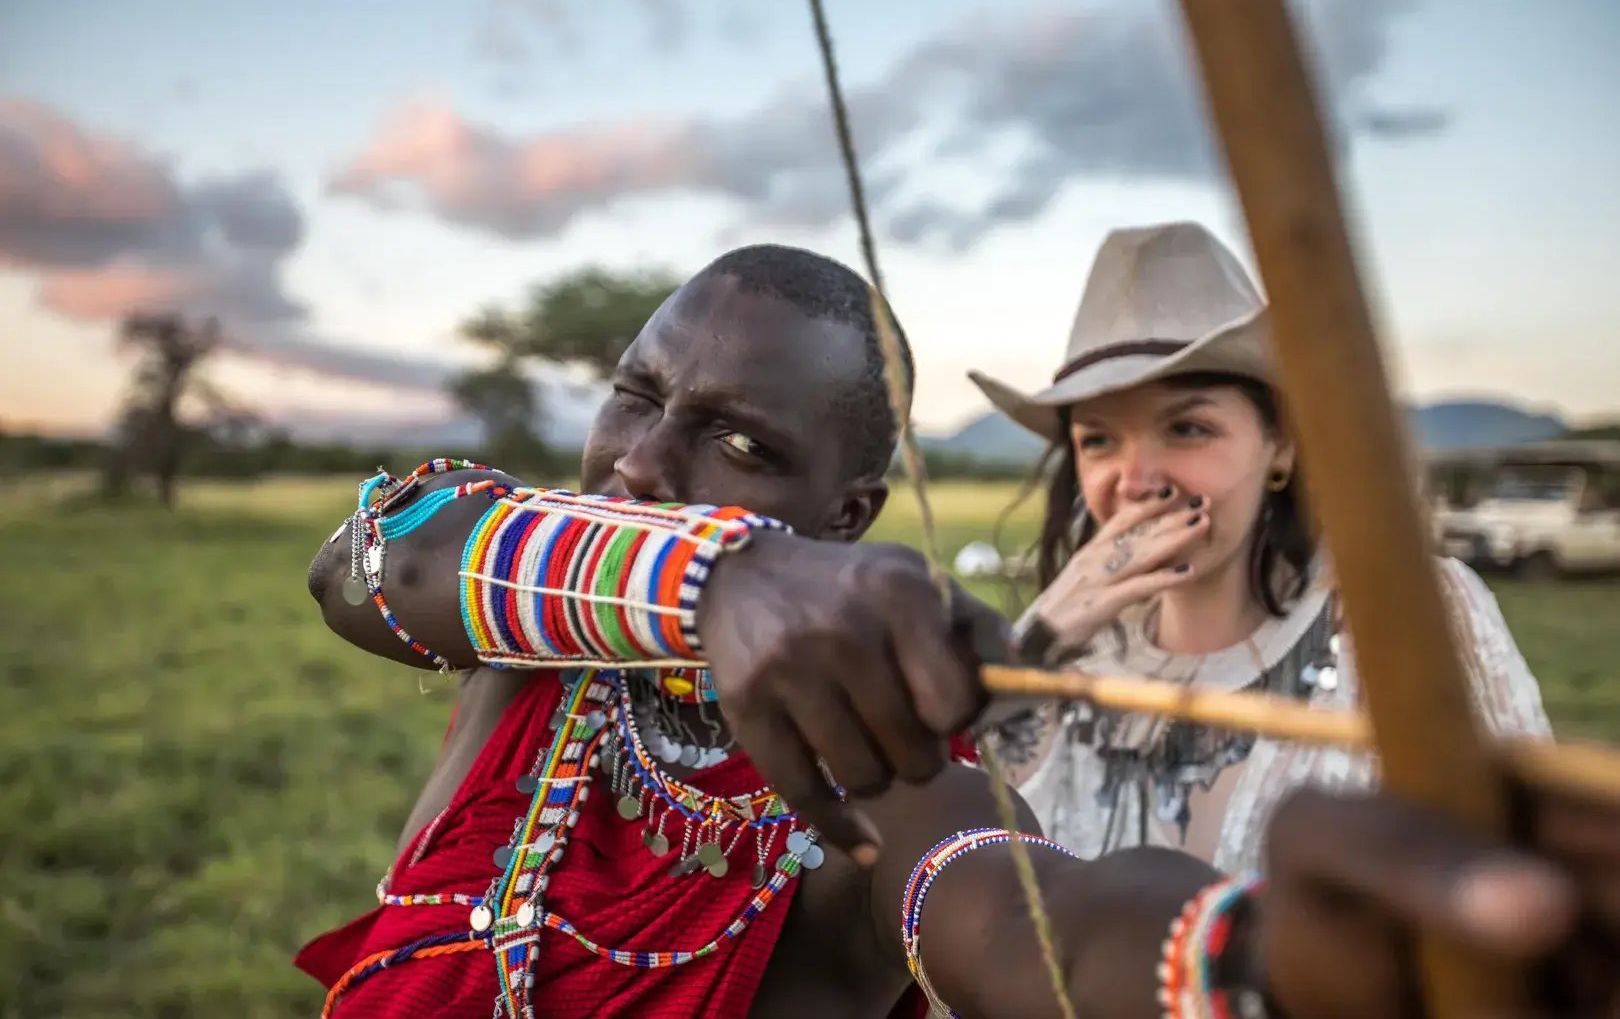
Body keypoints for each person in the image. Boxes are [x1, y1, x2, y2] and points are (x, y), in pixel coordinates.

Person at [302, 243, 1620, 1018]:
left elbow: (1039, 922)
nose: (639, 464)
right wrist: (717, 580)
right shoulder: (528, 621)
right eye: (636, 397)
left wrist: (1259, 963)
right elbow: (370, 558)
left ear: (849, 513)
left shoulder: (883, 755)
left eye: (742, 443)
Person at [967, 221, 1552, 871]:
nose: (1134, 481)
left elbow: (1515, 861)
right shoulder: (1058, 667)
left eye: (1187, 428)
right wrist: (1036, 647)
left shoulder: (1407, 614)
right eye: (1099, 440)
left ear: (1281, 445)